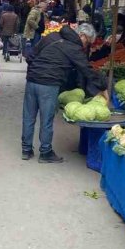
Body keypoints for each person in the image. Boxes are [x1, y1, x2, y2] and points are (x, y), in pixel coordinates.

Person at [22, 24, 106, 163]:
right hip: (49, 84)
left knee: (29, 116)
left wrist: (35, 71)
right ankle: (45, 152)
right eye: (87, 42)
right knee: (46, 119)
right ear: (83, 36)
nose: (86, 46)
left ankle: (26, 150)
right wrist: (103, 88)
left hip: (31, 81)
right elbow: (87, 70)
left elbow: (30, 56)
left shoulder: (51, 36)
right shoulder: (74, 48)